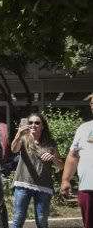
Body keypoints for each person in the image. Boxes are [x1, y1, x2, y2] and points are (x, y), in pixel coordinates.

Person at [10, 113, 64, 228]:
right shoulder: (24, 139)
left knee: (42, 221)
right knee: (18, 219)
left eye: (37, 123)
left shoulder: (50, 143)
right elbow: (14, 149)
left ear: (43, 126)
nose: (33, 125)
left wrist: (53, 158)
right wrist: (19, 134)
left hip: (43, 186)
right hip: (23, 184)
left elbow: (61, 166)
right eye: (30, 123)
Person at [61, 93, 93, 228]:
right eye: (92, 103)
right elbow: (73, 156)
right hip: (87, 188)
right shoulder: (83, 128)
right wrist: (66, 180)